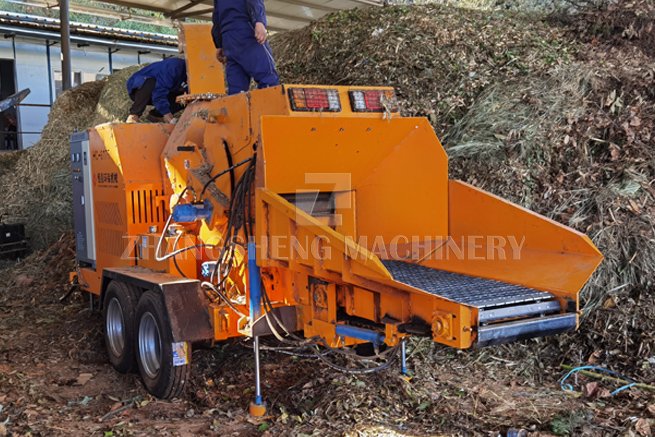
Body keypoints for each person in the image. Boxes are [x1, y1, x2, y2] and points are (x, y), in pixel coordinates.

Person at [211, 0, 280, 95]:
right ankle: (272, 108)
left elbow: (216, 15)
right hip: (245, 31)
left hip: (228, 39)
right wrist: (259, 21)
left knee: (236, 91)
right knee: (268, 78)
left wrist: (219, 44)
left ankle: (237, 108)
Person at [125, 57, 187, 123]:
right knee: (151, 82)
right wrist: (168, 116)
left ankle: (156, 115)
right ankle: (134, 115)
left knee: (184, 98)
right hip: (139, 86)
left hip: (163, 91)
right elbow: (158, 93)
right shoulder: (174, 67)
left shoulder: (192, 78)